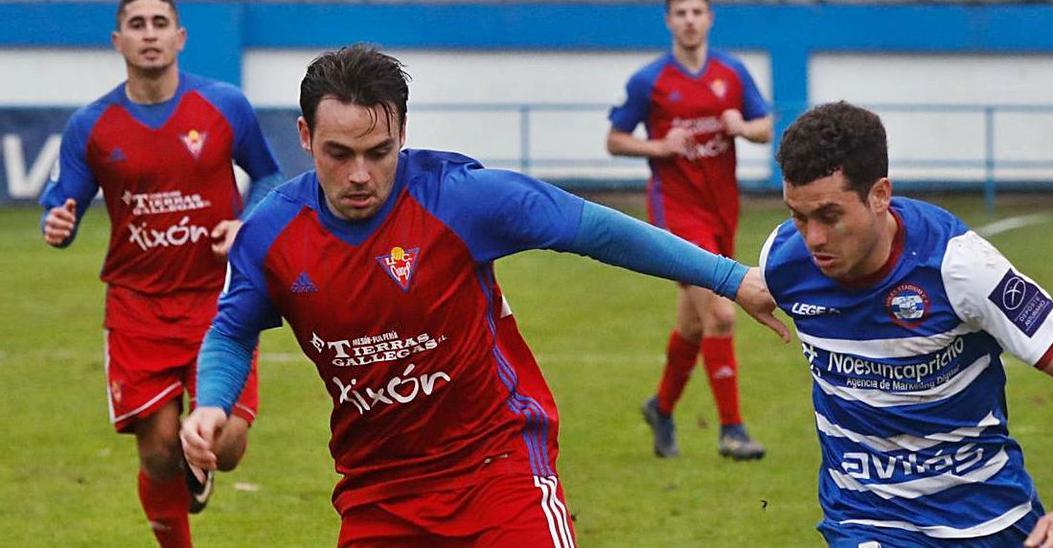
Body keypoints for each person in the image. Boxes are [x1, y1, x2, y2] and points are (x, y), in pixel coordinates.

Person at [179, 44, 786, 547]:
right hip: (377, 492)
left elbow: (595, 229)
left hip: (496, 470)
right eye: (340, 154)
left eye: (378, 152)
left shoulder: (459, 199)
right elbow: (233, 330)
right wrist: (211, 403)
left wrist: (732, 279)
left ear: (403, 133)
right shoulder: (271, 235)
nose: (360, 174)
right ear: (306, 137)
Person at [760, 102, 1053, 547]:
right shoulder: (784, 260)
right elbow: (757, 283)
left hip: (989, 520)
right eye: (798, 215)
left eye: (830, 216)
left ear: (880, 195)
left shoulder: (960, 266)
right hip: (866, 520)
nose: (813, 238)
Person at [38, 0, 283, 546]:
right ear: (117, 40)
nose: (149, 35)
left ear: (180, 37)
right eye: (136, 25)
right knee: (159, 449)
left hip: (217, 301)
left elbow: (269, 176)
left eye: (159, 24)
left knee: (228, 447)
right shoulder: (93, 125)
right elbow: (61, 199)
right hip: (137, 306)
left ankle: (202, 469)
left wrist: (245, 223)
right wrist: (57, 220)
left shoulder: (224, 106)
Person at [606, 0, 774, 460]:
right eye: (681, 13)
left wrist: (744, 126)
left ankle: (661, 408)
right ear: (668, 21)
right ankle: (732, 430)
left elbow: (765, 127)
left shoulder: (732, 73)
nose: (690, 20)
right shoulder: (650, 81)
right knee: (722, 312)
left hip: (722, 208)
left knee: (694, 322)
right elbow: (615, 139)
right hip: (675, 211)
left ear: (710, 18)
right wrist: (659, 144)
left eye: (697, 11)